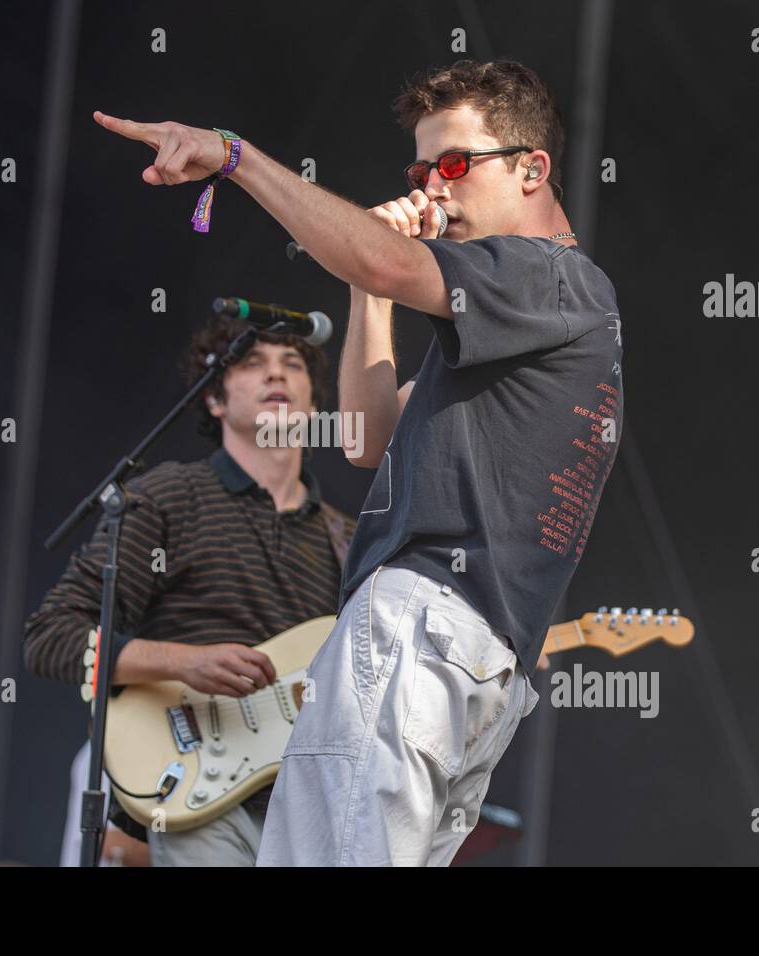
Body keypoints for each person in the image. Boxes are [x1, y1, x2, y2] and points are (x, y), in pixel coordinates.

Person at [93, 57, 623, 866]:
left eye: (454, 163)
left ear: (531, 169)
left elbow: (381, 261)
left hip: (424, 628)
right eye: (420, 169)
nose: (433, 186)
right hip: (473, 666)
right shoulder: (520, 322)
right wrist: (370, 291)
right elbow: (366, 439)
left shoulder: (544, 276)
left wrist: (233, 157)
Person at [23, 315, 356, 866]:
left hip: (307, 806)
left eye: (292, 364)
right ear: (215, 401)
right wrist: (182, 662)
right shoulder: (167, 498)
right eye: (253, 363)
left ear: (313, 406)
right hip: (195, 786)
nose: (276, 373)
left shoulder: (349, 540)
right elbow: (50, 636)